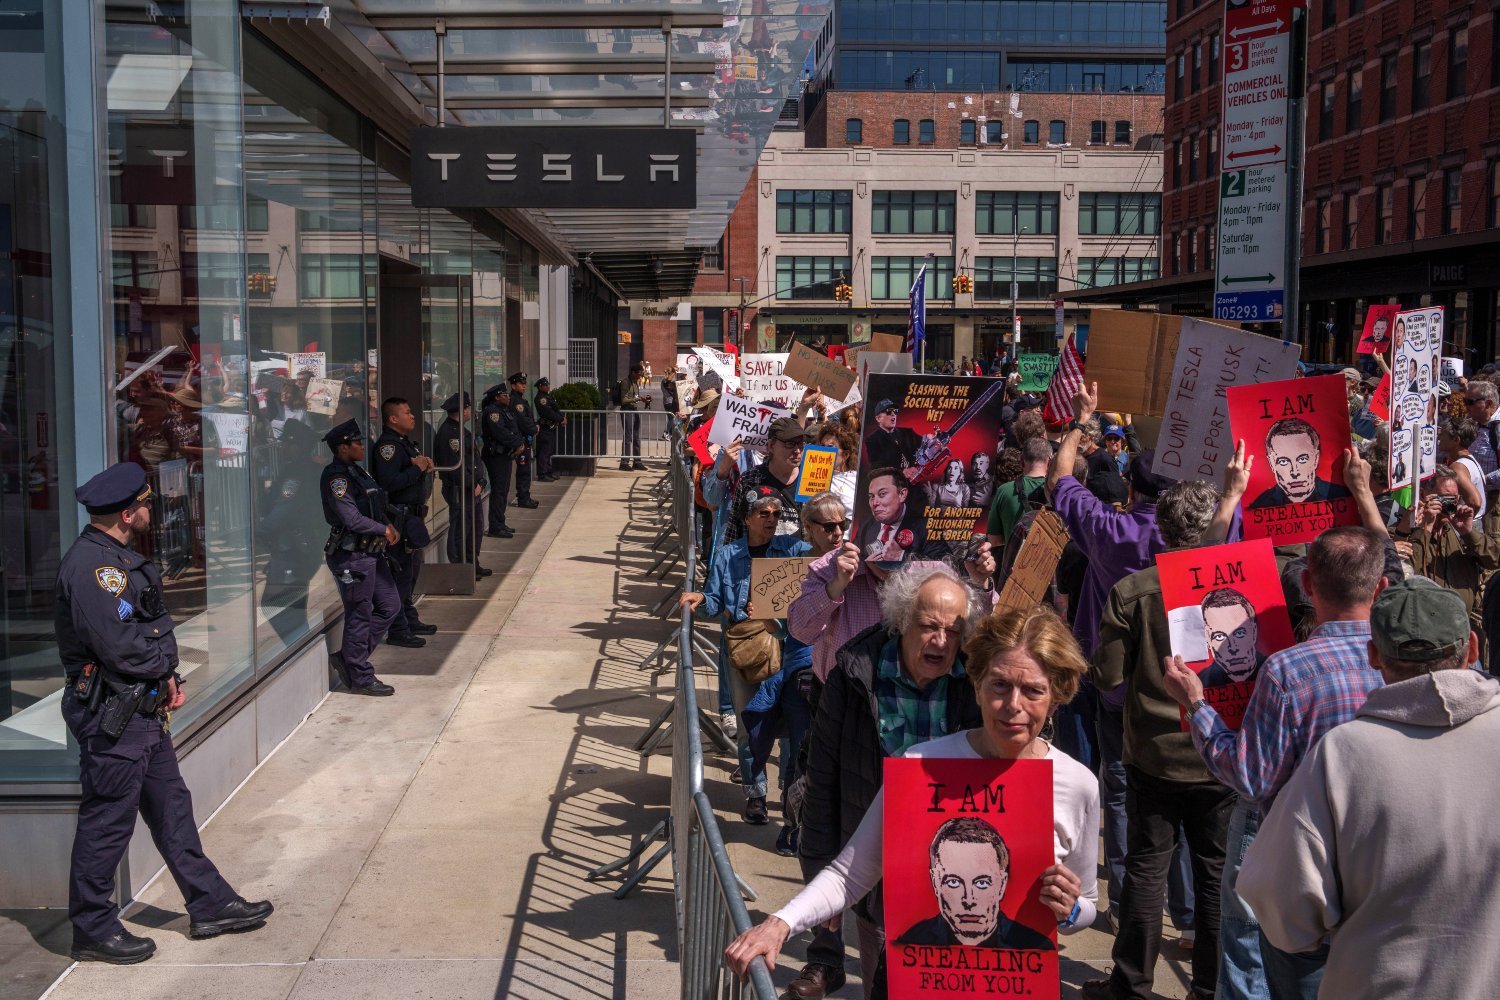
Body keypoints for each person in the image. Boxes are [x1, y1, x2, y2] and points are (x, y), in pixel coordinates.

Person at [727, 605, 1099, 992]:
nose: (1013, 706)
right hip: (914, 980)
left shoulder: (1077, 784)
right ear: (976, 683)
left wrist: (1069, 910)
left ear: (1057, 697)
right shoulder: (922, 764)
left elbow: (1086, 904)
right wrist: (780, 924)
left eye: (1034, 691)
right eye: (1000, 685)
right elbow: (851, 873)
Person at [1238, 578, 1500, 1000]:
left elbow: (1285, 912)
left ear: (1374, 655)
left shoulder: (1342, 755)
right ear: (1471, 648)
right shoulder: (1342, 753)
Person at [56, 463, 274, 963]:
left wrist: (166, 677)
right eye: (147, 504)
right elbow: (121, 647)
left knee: (172, 808)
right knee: (107, 823)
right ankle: (92, 928)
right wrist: (159, 669)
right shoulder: (94, 569)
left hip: (141, 709)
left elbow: (141, 630)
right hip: (115, 713)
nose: (152, 511)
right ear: (127, 512)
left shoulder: (114, 559)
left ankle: (210, 903)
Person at [1163, 524, 1391, 1000]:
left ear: (1308, 585)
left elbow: (1251, 777)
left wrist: (1198, 706)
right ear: (1381, 586)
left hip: (1294, 855)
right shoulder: (1402, 662)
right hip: (1378, 853)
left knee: (1255, 958)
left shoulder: (1289, 671)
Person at [793, 565, 988, 997]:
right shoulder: (853, 674)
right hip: (876, 873)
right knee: (884, 984)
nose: (941, 641)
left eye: (953, 630)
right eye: (928, 626)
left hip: (958, 874)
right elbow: (823, 784)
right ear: (901, 622)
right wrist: (821, 878)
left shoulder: (980, 683)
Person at [1085, 478, 1232, 1000]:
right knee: (1214, 875)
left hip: (1154, 753)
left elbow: (1107, 677)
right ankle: (1212, 988)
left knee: (1149, 868)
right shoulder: (1237, 582)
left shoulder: (1133, 591)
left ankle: (1131, 985)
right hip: (1219, 754)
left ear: (1163, 530)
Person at [680, 490, 810, 824]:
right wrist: (700, 601)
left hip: (787, 647)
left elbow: (821, 563)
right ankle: (756, 795)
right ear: (748, 518)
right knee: (749, 725)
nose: (771, 519)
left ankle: (789, 791)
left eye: (776, 514)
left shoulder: (794, 550)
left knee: (792, 726)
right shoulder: (727, 555)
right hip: (744, 647)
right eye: (764, 513)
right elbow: (713, 598)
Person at [320, 419, 401, 695]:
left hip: (372, 553)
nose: (361, 446)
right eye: (356, 443)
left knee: (390, 606)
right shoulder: (337, 478)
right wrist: (383, 529)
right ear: (343, 447)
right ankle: (360, 677)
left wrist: (389, 524)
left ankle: (349, 658)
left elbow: (376, 505)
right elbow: (351, 518)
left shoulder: (358, 471)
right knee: (360, 614)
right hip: (352, 557)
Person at [371, 397, 439, 645]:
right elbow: (389, 483)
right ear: (393, 419)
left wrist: (420, 465)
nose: (412, 416)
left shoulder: (403, 444)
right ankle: (398, 630)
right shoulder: (387, 447)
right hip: (398, 517)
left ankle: (409, 618)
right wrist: (417, 469)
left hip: (411, 516)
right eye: (407, 412)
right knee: (399, 574)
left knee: (410, 572)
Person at [1406, 465, 1500, 635]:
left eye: (1454, 499)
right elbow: (1405, 572)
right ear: (1423, 495)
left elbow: (1494, 560)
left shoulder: (1460, 532)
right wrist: (1425, 529)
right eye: (1443, 499)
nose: (1449, 505)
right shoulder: (1406, 531)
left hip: (1463, 628)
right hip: (1426, 632)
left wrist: (1468, 532)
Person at [433, 393, 492, 579]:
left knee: (474, 528)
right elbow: (455, 468)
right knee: (461, 528)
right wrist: (471, 484)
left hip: (472, 488)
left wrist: (481, 481)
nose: (470, 411)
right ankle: (460, 568)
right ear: (462, 410)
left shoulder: (461, 430)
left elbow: (475, 460)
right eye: (468, 408)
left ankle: (472, 563)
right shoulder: (450, 434)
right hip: (460, 490)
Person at [723, 417, 805, 542]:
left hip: (800, 560)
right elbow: (735, 528)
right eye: (790, 444)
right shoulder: (749, 479)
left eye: (800, 444)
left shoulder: (810, 479)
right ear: (771, 446)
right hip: (758, 560)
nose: (797, 450)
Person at [1249, 418, 1350, 507]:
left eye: (1302, 459)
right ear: (1272, 464)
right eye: (1284, 461)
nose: (1295, 472)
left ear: (1316, 459)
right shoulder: (1259, 506)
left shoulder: (1342, 496)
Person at [856, 467, 934, 563]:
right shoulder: (865, 525)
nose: (874, 502)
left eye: (882, 494)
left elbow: (947, 565)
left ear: (902, 494)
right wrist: (865, 566)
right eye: (871, 496)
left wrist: (901, 557)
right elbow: (854, 562)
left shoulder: (927, 527)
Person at [987, 436, 1050, 549]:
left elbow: (994, 540)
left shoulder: (1004, 491)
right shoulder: (1058, 491)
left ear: (1021, 460)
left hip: (1013, 563)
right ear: (1049, 461)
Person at [1196, 588, 1266, 687]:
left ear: (1254, 632)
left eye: (1239, 633)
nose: (1233, 648)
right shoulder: (1198, 684)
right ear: (1207, 639)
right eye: (1219, 636)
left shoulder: (1279, 672)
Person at [479, 384, 520, 538]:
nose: (508, 397)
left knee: (504, 490)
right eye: (505, 395)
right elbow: (502, 434)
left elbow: (514, 430)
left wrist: (519, 442)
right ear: (497, 397)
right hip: (496, 456)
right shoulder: (492, 412)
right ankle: (495, 526)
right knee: (499, 491)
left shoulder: (504, 410)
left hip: (505, 455)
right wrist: (517, 443)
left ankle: (500, 522)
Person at [507, 372, 540, 507]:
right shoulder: (516, 402)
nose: (524, 386)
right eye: (521, 383)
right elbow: (523, 422)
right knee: (523, 471)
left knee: (525, 470)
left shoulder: (521, 400)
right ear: (513, 385)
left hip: (525, 440)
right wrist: (534, 429)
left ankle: (524, 495)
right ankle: (523, 497)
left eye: (525, 383)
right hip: (520, 441)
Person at [862, 398, 921, 473]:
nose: (893, 414)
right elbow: (877, 467)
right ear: (878, 418)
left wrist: (929, 438)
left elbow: (924, 444)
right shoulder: (872, 440)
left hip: (916, 479)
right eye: (888, 411)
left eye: (895, 411)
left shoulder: (908, 432)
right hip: (892, 482)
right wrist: (902, 471)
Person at [1086, 422, 1132, 505]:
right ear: (1105, 441)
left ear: (1122, 441)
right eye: (1109, 438)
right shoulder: (1098, 457)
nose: (1113, 441)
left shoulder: (1129, 460)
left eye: (1116, 438)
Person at [619, 363, 650, 471]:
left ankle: (637, 461)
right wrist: (637, 399)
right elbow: (624, 400)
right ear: (633, 372)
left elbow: (635, 396)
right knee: (628, 437)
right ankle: (624, 462)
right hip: (627, 410)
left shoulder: (635, 382)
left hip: (634, 410)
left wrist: (642, 399)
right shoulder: (625, 383)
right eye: (639, 374)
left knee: (636, 437)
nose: (640, 377)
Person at [533, 376, 564, 481]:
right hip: (545, 427)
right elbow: (548, 412)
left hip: (551, 427)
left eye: (548, 385)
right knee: (544, 451)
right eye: (545, 385)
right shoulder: (541, 398)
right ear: (540, 387)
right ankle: (542, 474)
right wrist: (560, 418)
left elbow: (556, 408)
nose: (548, 387)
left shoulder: (548, 396)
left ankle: (548, 471)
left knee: (549, 451)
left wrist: (562, 417)